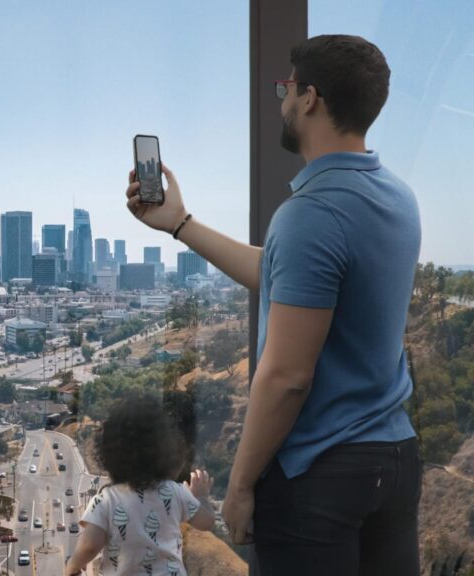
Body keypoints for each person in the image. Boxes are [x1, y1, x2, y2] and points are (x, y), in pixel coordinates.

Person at [125, 35, 422, 575]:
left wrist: (239, 486)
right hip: (395, 462)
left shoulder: (310, 213)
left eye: (286, 88)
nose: (281, 101)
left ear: (309, 98)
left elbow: (286, 376)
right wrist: (180, 225)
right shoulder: (397, 198)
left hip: (320, 478)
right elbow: (284, 274)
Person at [64, 392, 215, 576]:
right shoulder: (176, 492)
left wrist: (72, 566)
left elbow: (89, 546)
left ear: (110, 454)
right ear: (167, 449)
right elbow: (206, 522)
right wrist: (200, 496)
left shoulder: (106, 500)